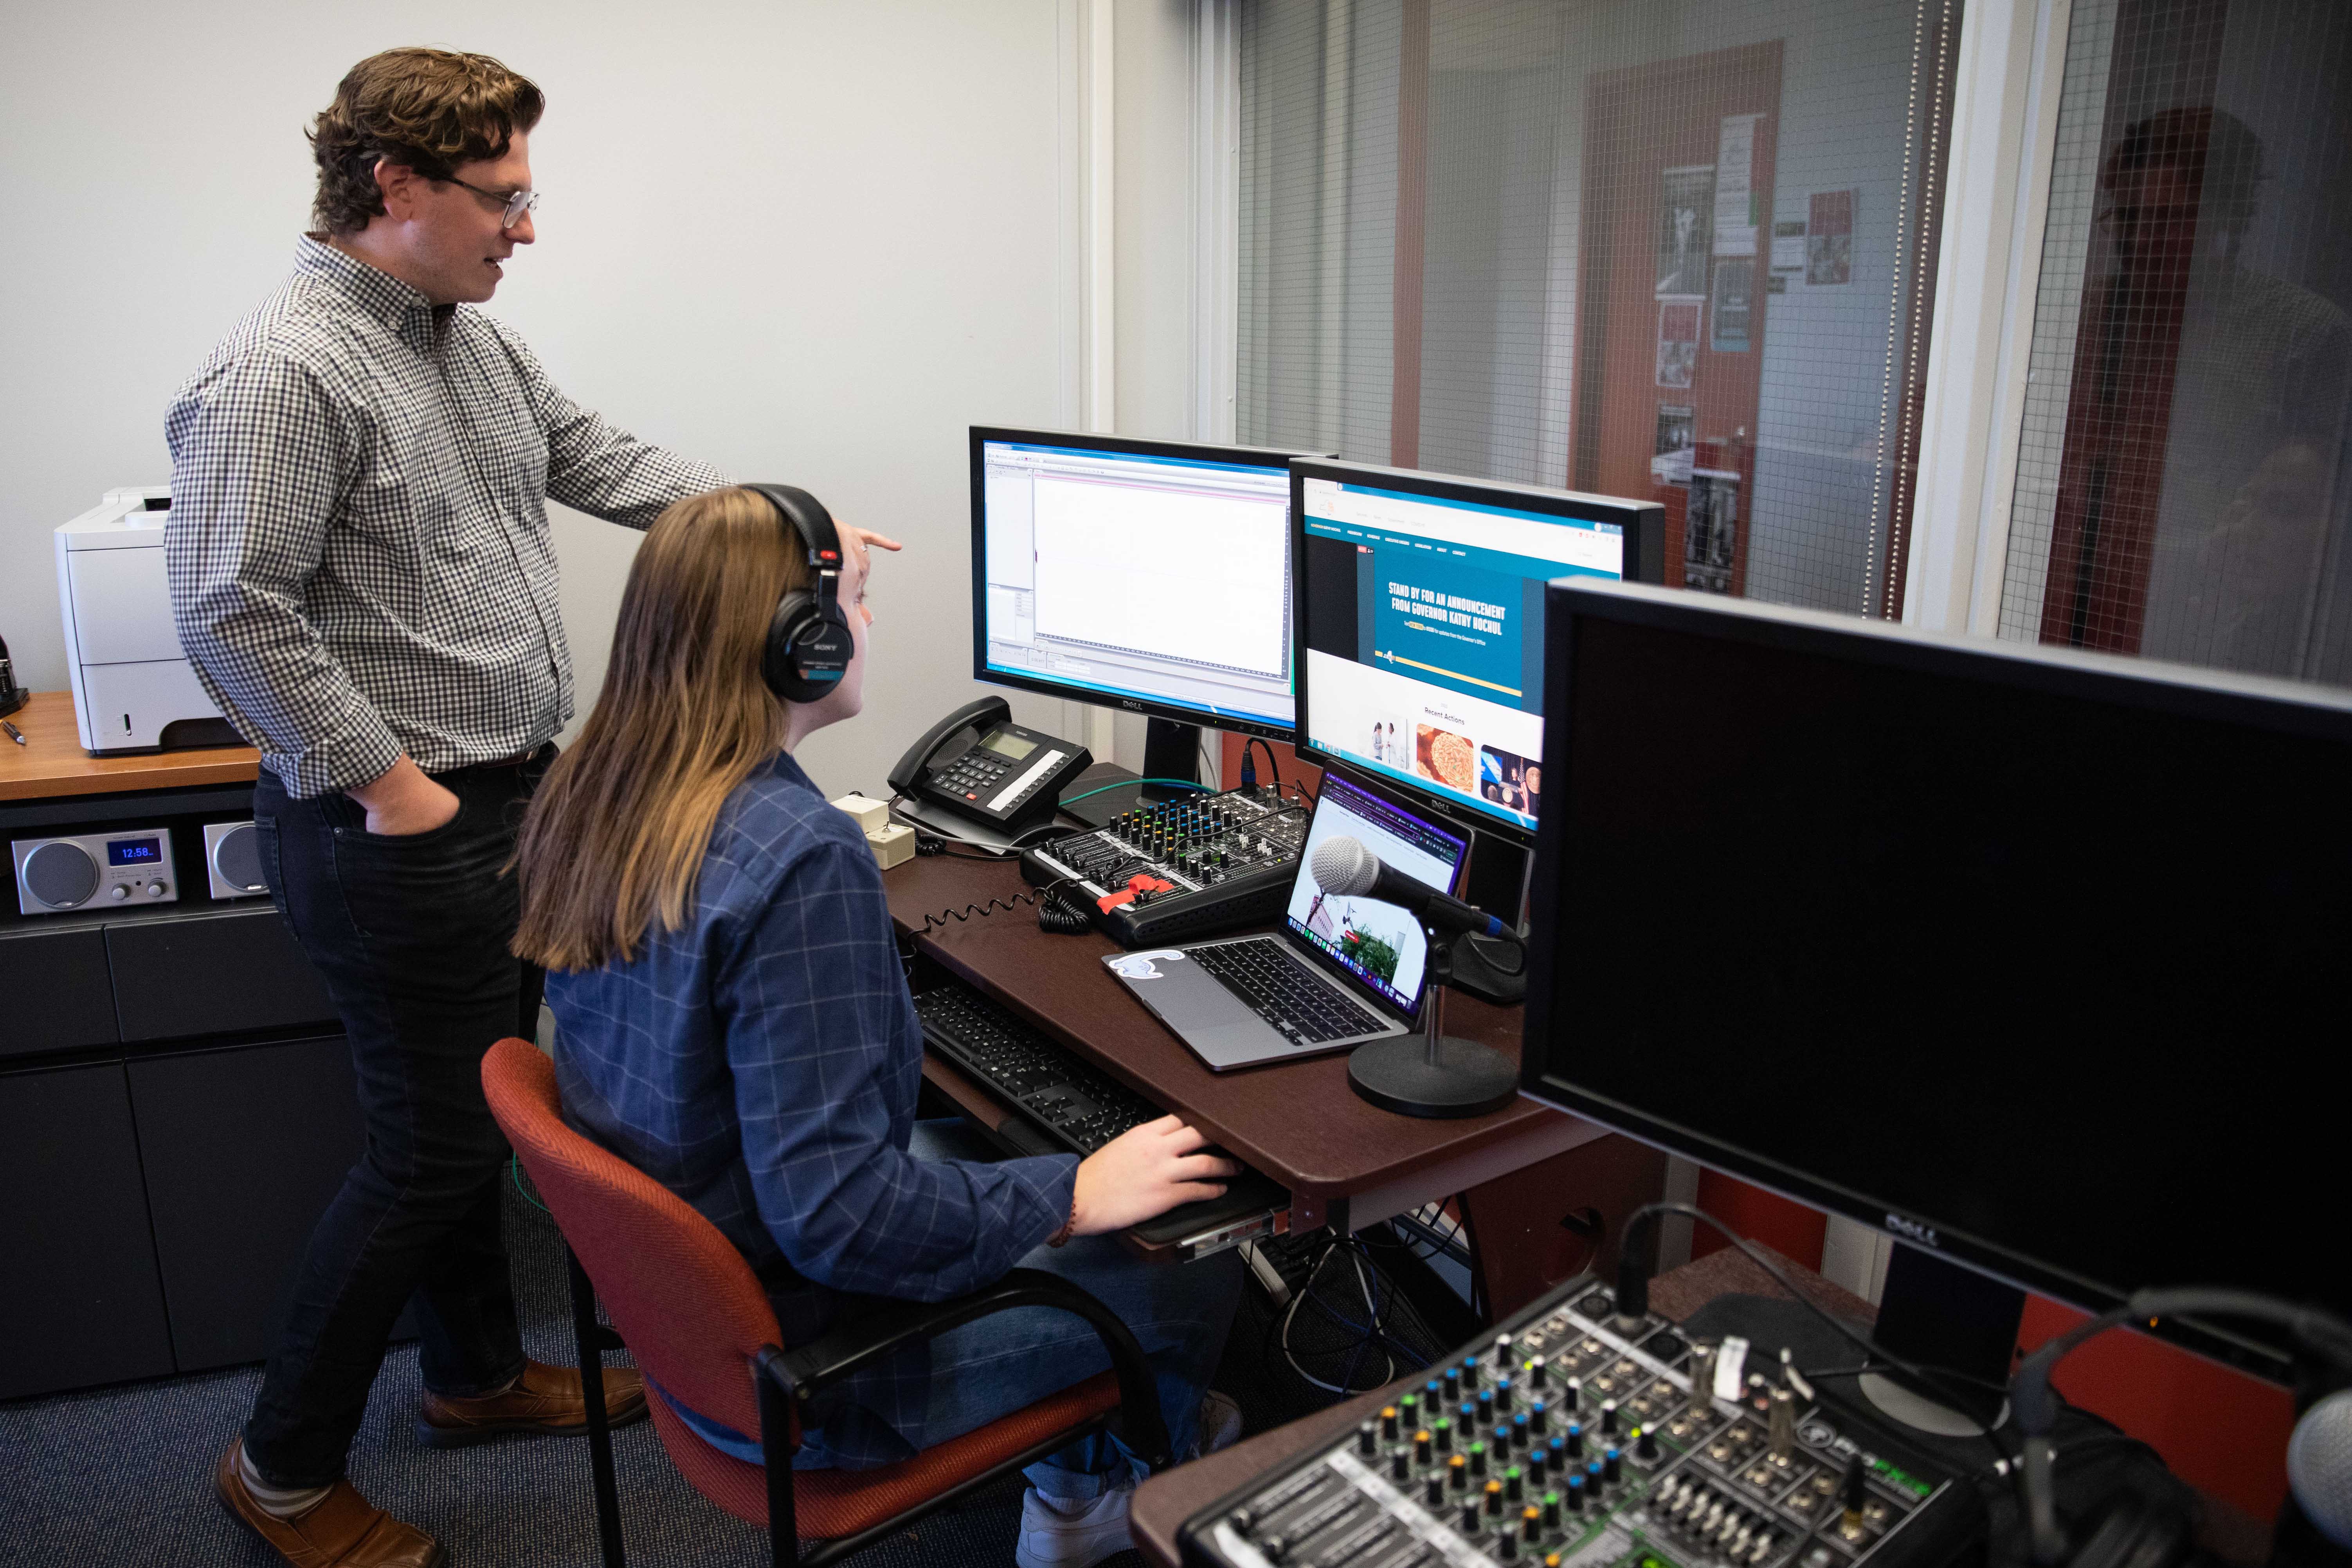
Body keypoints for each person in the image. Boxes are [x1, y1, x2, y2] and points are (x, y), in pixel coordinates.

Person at [167, 49, 893, 1568]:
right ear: (397, 188)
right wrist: (400, 792)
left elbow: (595, 456)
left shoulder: (460, 341)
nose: (527, 229)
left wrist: (788, 525)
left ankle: (476, 1381)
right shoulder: (285, 370)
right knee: (427, 1150)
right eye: (504, 198)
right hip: (396, 828)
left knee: (475, 1113)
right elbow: (232, 613)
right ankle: (281, 1466)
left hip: (508, 803)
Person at [511, 486, 1245, 1568]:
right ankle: (1093, 1504)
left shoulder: (597, 787)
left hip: (699, 1336)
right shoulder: (799, 855)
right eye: (853, 599)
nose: (864, 624)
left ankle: (1098, 1451)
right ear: (800, 645)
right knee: (1187, 1252)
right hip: (820, 1378)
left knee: (985, 1137)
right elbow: (839, 1219)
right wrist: (1074, 1192)